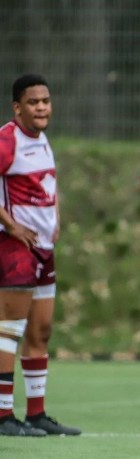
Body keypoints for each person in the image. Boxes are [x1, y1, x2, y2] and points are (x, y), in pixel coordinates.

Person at [0, 74, 80, 437]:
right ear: (18, 107)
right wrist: (12, 226)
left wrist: (56, 219)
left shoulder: (41, 139)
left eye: (45, 101)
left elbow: (48, 186)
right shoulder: (8, 139)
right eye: (34, 102)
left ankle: (36, 413)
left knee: (41, 329)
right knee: (8, 330)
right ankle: (3, 416)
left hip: (45, 250)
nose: (42, 107)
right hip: (16, 249)